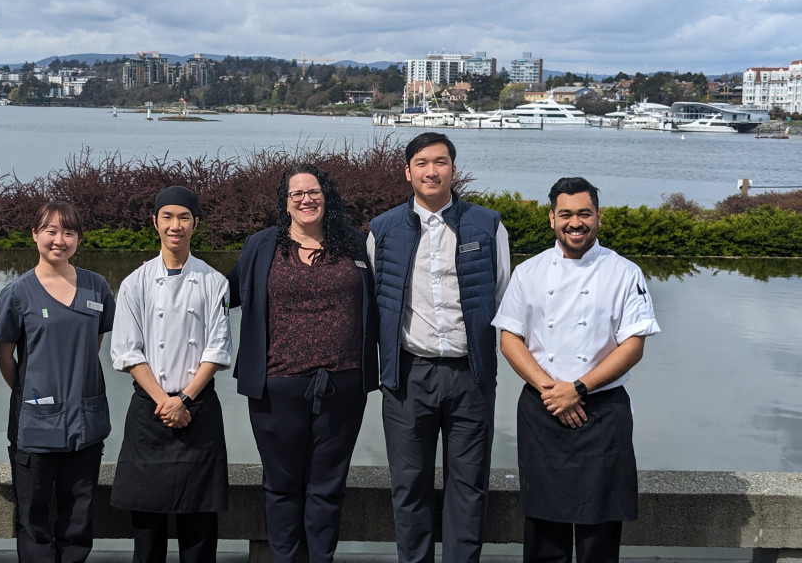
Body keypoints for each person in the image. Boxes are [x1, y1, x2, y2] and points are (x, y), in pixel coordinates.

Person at [492, 177, 660, 563]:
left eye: (584, 213)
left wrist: (579, 388)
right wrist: (553, 391)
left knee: (599, 531)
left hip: (602, 410)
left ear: (599, 217)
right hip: (543, 409)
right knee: (543, 528)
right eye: (565, 214)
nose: (575, 222)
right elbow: (509, 339)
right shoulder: (529, 272)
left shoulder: (624, 272)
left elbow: (633, 345)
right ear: (551, 218)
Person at [367, 132, 510, 563]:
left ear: (453, 169)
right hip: (408, 376)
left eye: (442, 162)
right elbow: (378, 302)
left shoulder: (487, 225)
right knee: (409, 486)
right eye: (423, 163)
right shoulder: (383, 229)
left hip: (472, 375)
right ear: (407, 171)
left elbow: (503, 298)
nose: (432, 171)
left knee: (469, 486)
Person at [227, 164, 379, 563]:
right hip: (276, 386)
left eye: (313, 192)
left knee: (328, 486)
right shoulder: (261, 246)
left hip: (344, 383)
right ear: (286, 202)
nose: (306, 199)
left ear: (326, 196)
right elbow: (220, 295)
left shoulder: (357, 244)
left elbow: (389, 298)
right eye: (296, 194)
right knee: (281, 485)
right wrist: (169, 275)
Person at [110, 186, 233, 563]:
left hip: (197, 409)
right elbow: (127, 350)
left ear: (196, 223)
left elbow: (218, 348)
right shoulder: (135, 282)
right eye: (167, 217)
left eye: (183, 217)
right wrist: (165, 401)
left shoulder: (215, 282)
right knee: (147, 522)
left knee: (199, 521)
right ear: (155, 222)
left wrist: (184, 400)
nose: (175, 226)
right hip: (151, 410)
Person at [0, 200, 116, 562]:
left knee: (79, 515)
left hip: (86, 421)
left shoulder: (96, 286)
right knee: (34, 519)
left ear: (79, 239)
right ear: (35, 234)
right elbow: (4, 355)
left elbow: (94, 342)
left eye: (69, 232)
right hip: (36, 425)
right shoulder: (17, 293)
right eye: (50, 230)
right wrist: (31, 392)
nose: (59, 240)